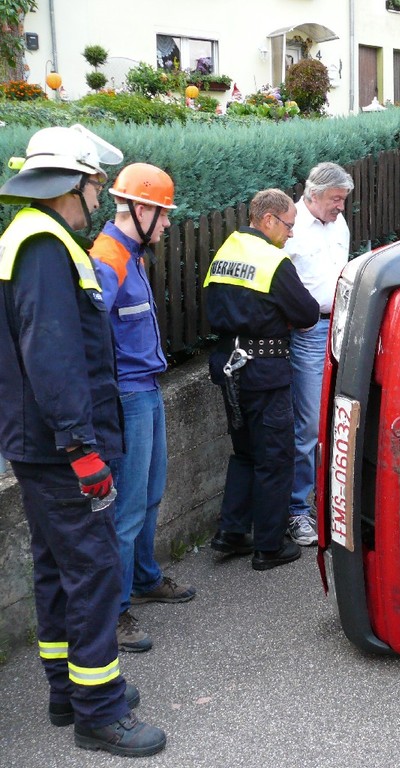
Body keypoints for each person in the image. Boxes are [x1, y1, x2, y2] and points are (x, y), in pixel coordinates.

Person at [0, 124, 165, 756]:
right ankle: (99, 711)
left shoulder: (30, 238)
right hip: (60, 449)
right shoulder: (45, 246)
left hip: (40, 445)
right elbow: (54, 356)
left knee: (57, 567)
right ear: (76, 182)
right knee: (94, 570)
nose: (99, 194)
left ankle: (67, 693)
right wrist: (82, 448)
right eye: (97, 182)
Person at [90, 163, 196, 655]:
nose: (170, 224)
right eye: (166, 214)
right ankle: (113, 614)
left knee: (151, 494)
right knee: (128, 509)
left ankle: (146, 577)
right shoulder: (107, 259)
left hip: (147, 390)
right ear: (143, 209)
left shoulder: (130, 254)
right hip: (127, 396)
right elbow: (90, 338)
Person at [204, 189, 320, 570]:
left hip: (229, 369)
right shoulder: (273, 261)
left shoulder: (225, 252)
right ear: (268, 220)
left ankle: (232, 532)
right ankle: (269, 546)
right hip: (266, 371)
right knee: (275, 458)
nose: (290, 234)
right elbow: (305, 313)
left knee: (245, 453)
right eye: (288, 225)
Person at [283, 162, 354, 547]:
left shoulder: (337, 224)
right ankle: (297, 510)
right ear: (312, 195)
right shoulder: (291, 228)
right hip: (309, 333)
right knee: (309, 425)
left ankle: (325, 502)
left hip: (341, 326)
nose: (340, 206)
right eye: (335, 199)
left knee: (336, 418)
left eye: (343, 199)